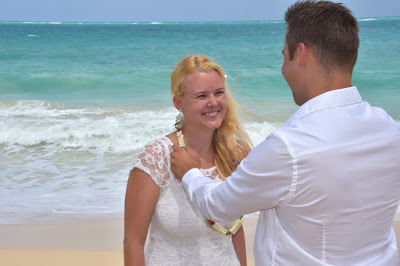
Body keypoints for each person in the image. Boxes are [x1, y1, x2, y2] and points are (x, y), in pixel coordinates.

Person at [170, 1, 400, 265]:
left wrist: (190, 172)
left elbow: (217, 205)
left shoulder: (290, 146)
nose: (283, 69)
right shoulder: (388, 129)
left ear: (301, 54)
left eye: (284, 55)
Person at [124, 55, 253, 265]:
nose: (213, 102)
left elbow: (234, 230)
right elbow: (133, 242)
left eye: (219, 93)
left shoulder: (234, 153)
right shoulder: (156, 157)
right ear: (178, 103)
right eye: (201, 96)